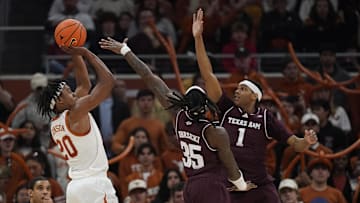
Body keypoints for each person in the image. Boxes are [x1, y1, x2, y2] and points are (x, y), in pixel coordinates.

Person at [99, 39, 257, 203]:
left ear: (185, 102)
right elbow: (232, 168)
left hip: (190, 186)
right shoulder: (215, 132)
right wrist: (242, 185)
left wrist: (125, 51)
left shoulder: (179, 115)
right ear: (206, 105)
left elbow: (149, 77)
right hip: (212, 184)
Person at [191, 8, 318, 202]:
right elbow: (208, 75)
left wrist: (306, 141)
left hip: (259, 185)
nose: (236, 91)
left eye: (242, 89)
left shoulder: (266, 118)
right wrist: (198, 38)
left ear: (253, 96)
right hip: (230, 185)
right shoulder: (226, 108)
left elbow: (295, 145)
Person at [36, 46, 118, 203]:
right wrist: (87, 53)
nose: (73, 92)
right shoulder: (76, 112)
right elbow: (108, 81)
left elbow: (84, 86)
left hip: (74, 188)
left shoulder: (56, 123)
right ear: (60, 100)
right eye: (68, 90)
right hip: (95, 185)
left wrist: (75, 54)